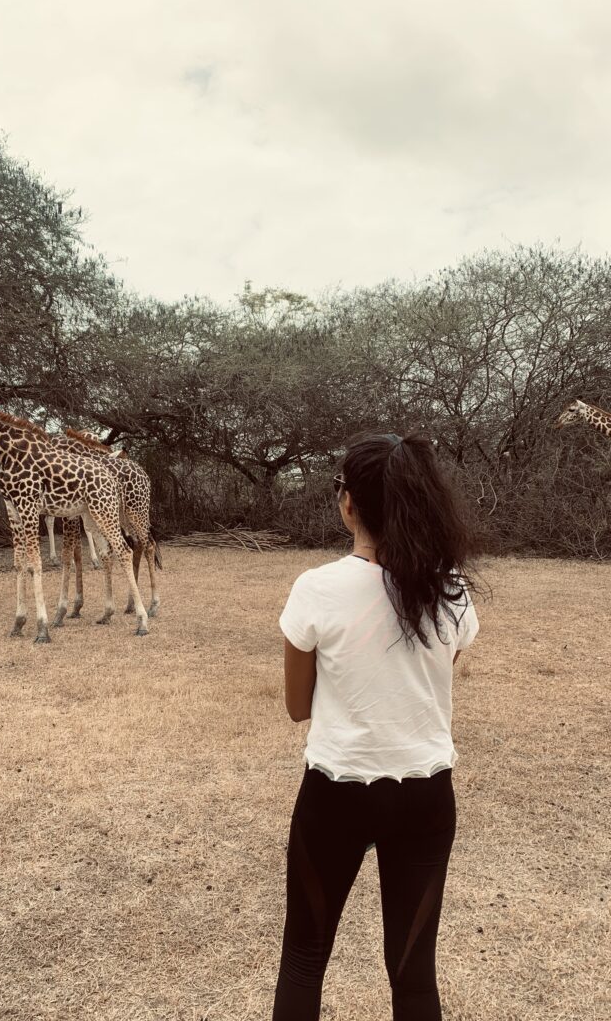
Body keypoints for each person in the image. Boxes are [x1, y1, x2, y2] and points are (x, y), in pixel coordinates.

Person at [273, 432, 480, 1021]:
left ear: (349, 504)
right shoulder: (453, 591)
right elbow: (434, 683)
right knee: (414, 978)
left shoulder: (318, 588)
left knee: (304, 959)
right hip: (426, 795)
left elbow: (297, 706)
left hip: (336, 794)